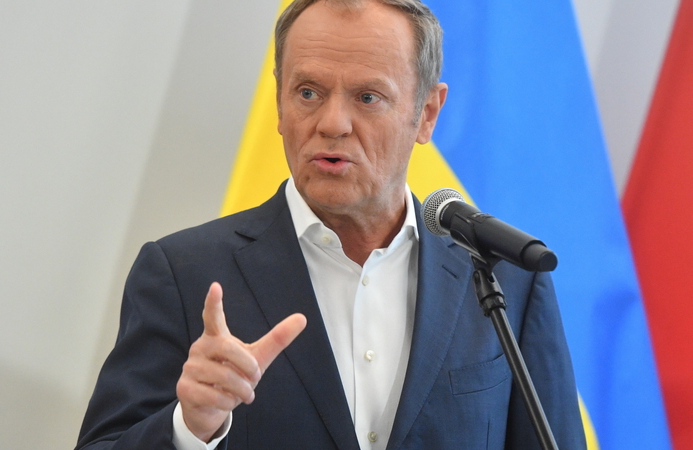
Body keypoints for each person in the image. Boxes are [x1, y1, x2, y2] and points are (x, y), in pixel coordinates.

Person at [75, 0, 587, 449]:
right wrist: (190, 428)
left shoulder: (507, 280)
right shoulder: (183, 274)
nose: (332, 123)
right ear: (279, 102)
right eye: (308, 92)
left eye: (367, 97)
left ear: (427, 113)